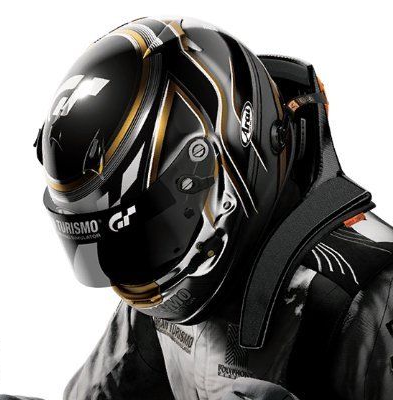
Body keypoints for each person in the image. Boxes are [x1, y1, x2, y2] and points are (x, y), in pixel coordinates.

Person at [35, 17, 393, 400]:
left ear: (219, 174)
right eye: (126, 243)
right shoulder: (156, 274)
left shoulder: (370, 294)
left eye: (150, 227)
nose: (133, 269)